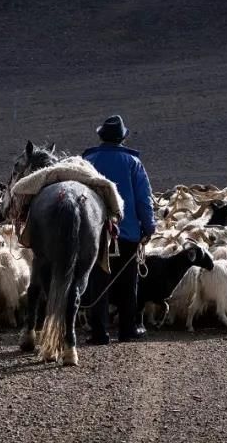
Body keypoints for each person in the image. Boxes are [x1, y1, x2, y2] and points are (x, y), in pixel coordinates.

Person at [82, 114, 155, 343]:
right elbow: (144, 199)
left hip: (96, 232)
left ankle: (99, 332)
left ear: (102, 136)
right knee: (127, 282)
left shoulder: (88, 161)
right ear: (122, 138)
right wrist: (149, 226)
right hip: (128, 232)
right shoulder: (133, 163)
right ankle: (127, 330)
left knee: (98, 281)